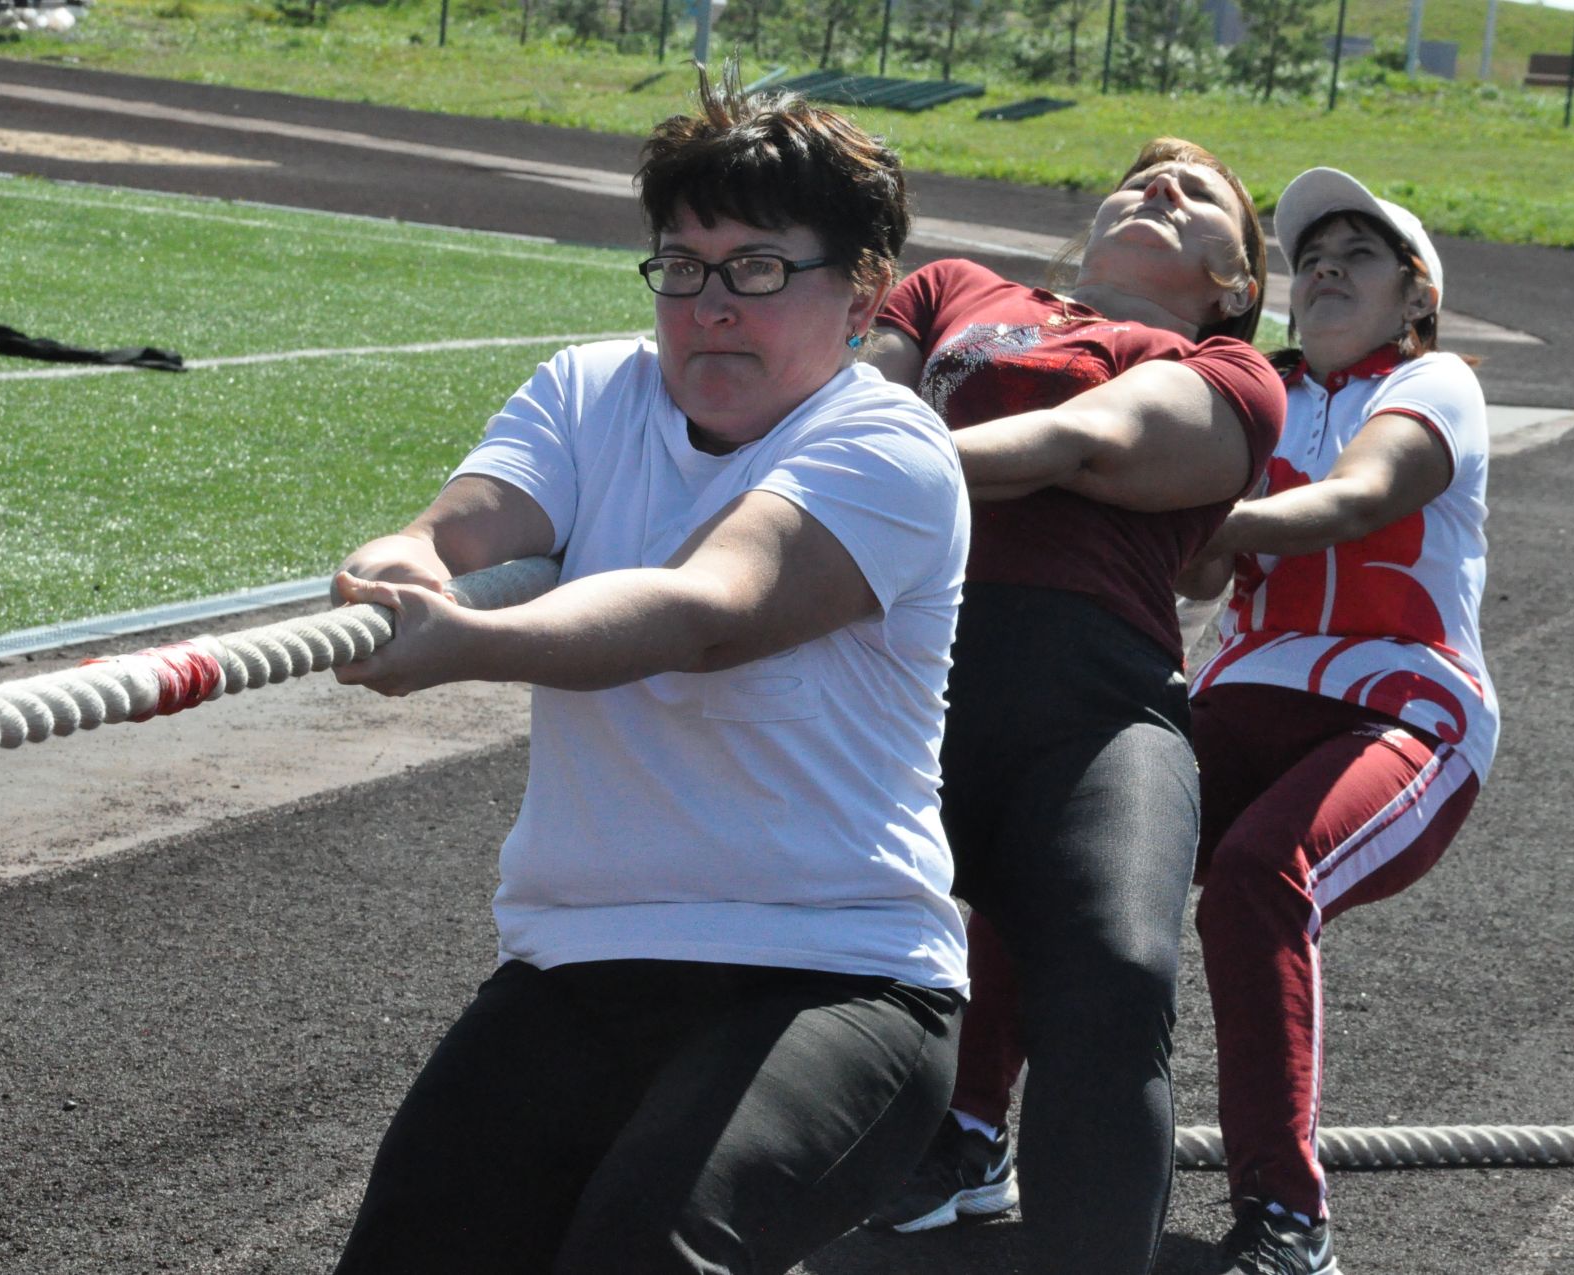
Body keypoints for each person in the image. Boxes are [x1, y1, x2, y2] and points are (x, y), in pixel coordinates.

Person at [322, 66, 973, 1275]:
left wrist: (466, 643)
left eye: (759, 270)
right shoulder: (589, 391)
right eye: (684, 266)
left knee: (642, 1253)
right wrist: (399, 563)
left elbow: (704, 610)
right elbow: (458, 528)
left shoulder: (889, 448)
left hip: (834, 981)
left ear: (865, 293)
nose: (711, 306)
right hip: (584, 964)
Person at [859, 139, 1288, 1274]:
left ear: (1236, 284)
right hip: (893, 680)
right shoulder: (953, 288)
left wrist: (894, 465)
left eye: (1199, 194)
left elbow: (1096, 444)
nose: (1161, 188)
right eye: (1144, 177)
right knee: (783, 965)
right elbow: (844, 408)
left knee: (1115, 973)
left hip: (1096, 709)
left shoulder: (1237, 378)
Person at [1174, 168, 1499, 1274]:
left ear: (1416, 300)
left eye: (1359, 254)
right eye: (1311, 256)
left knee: (1264, 872)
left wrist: (1212, 516)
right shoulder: (1251, 389)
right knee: (1065, 836)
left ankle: (1289, 1219)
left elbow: (1360, 496)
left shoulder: (1436, 380)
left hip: (1404, 708)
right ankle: (968, 1136)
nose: (1323, 267)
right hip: (1242, 697)